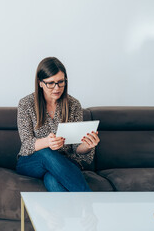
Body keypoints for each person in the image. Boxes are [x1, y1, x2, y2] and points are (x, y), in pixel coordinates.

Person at [16, 57, 100, 192]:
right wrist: (47, 142)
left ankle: (73, 213)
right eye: (51, 83)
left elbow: (76, 149)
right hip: (32, 162)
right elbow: (26, 144)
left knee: (52, 179)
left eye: (61, 82)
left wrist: (86, 146)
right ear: (40, 83)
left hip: (65, 162)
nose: (57, 88)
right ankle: (88, 202)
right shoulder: (26, 104)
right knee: (46, 152)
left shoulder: (73, 105)